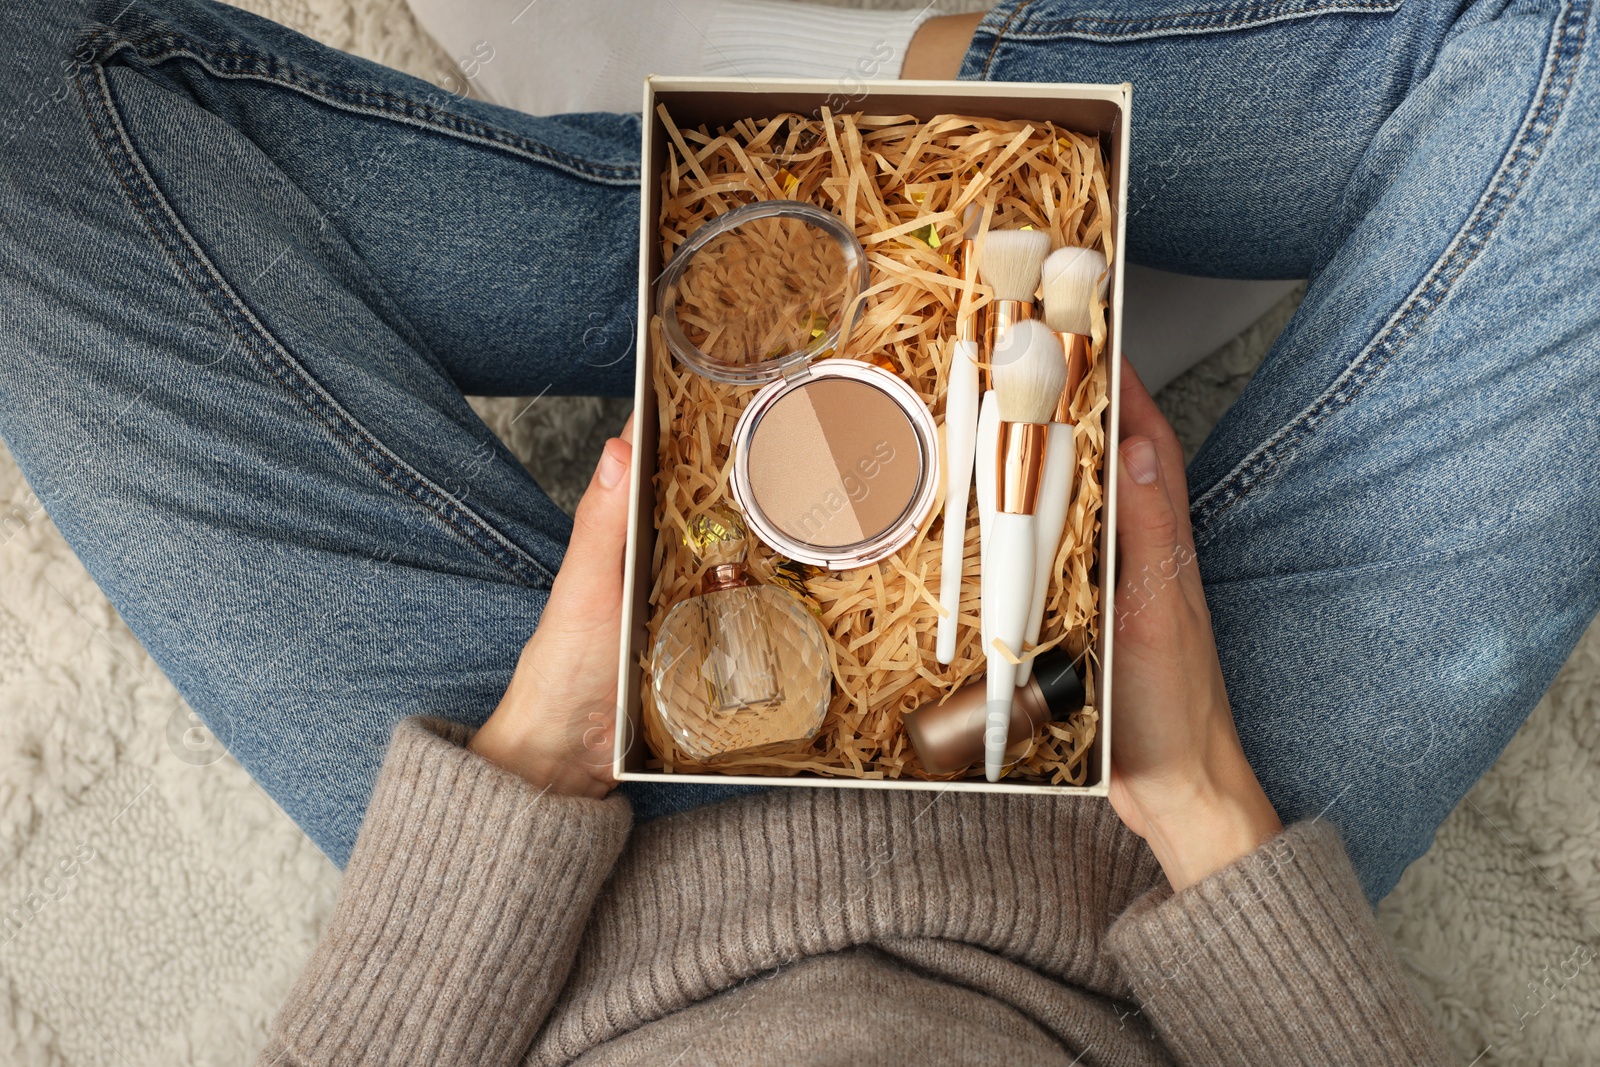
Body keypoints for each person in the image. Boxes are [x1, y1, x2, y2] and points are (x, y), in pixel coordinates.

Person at [1, 0, 1594, 1060]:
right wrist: (1209, 814)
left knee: (40, 86)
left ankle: (814, 207)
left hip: (564, 912)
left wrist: (519, 794)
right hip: (1124, 871)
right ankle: (923, 188)